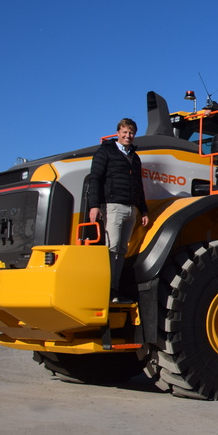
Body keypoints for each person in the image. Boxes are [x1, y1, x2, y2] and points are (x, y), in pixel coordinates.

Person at [88, 118, 149, 302]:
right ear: (118, 133)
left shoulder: (135, 157)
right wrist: (94, 205)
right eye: (124, 132)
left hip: (131, 210)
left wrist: (143, 210)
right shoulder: (106, 151)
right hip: (113, 207)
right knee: (111, 248)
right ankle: (105, 291)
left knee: (122, 251)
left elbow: (139, 185)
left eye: (131, 133)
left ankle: (115, 290)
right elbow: (95, 179)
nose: (127, 136)